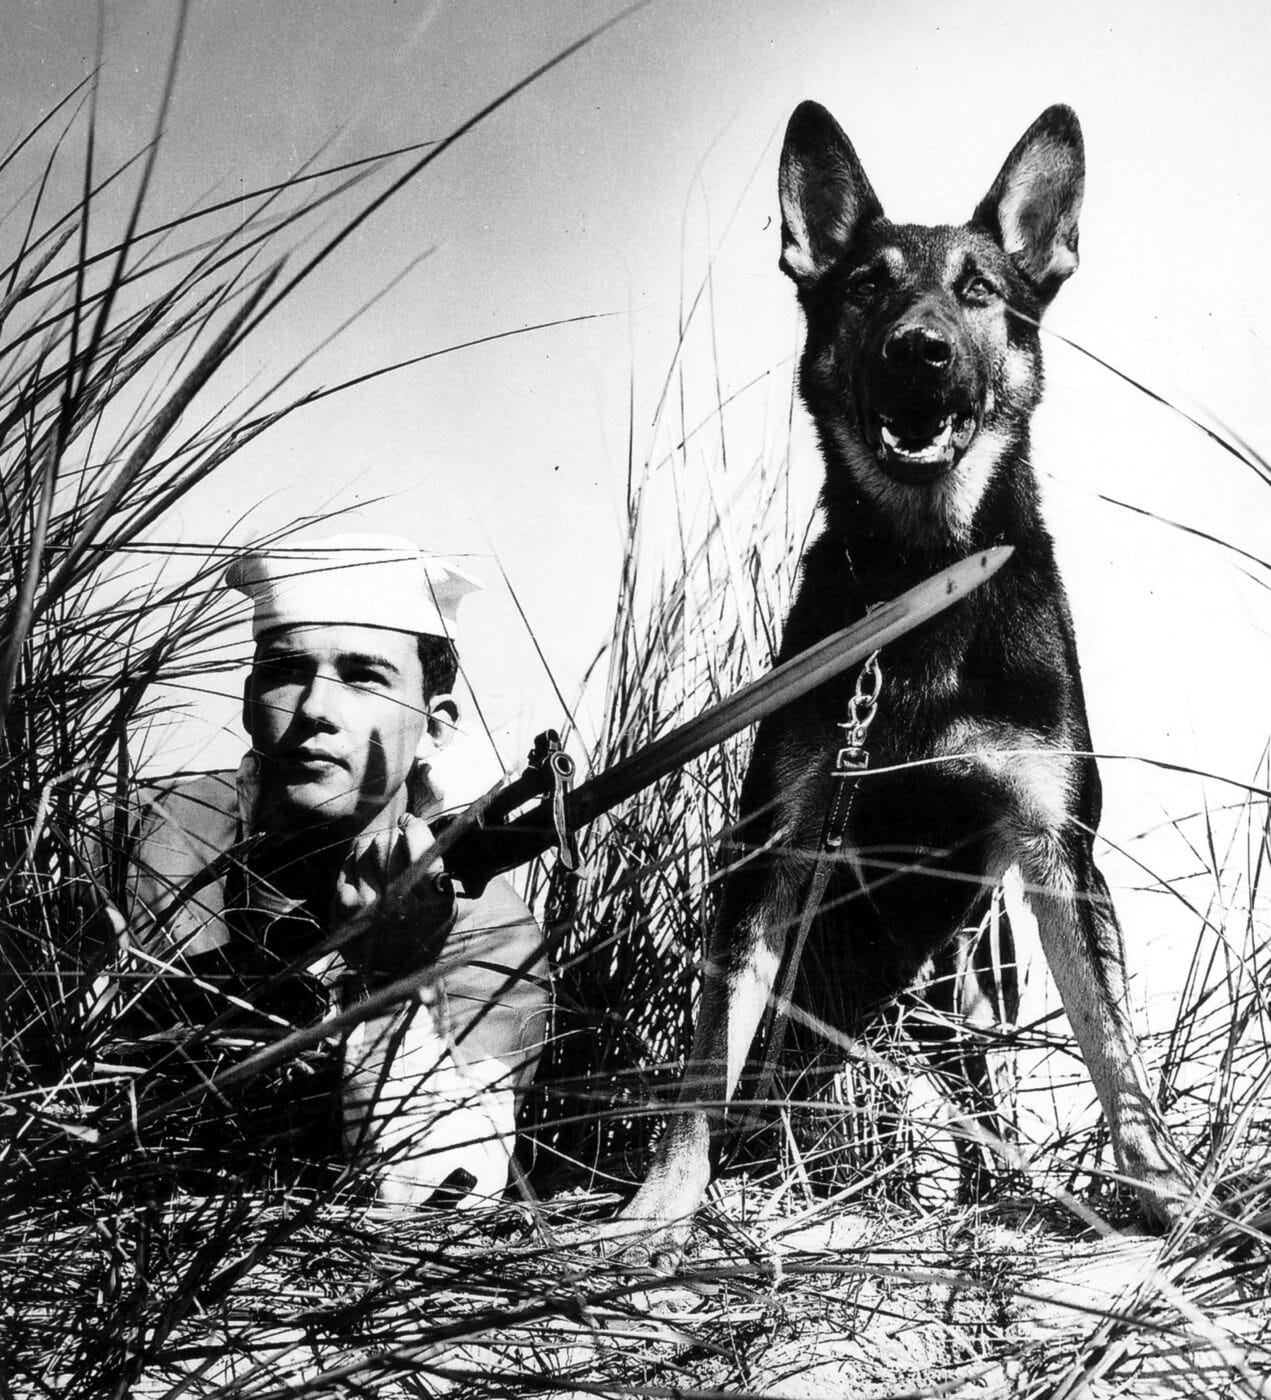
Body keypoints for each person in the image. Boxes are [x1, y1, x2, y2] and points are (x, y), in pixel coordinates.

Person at [117, 534, 550, 1208]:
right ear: (247, 697)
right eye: (285, 669)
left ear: (435, 730)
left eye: (363, 676)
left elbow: (436, 1201)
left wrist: (392, 983)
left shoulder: (487, 927)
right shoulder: (141, 833)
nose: (314, 707)